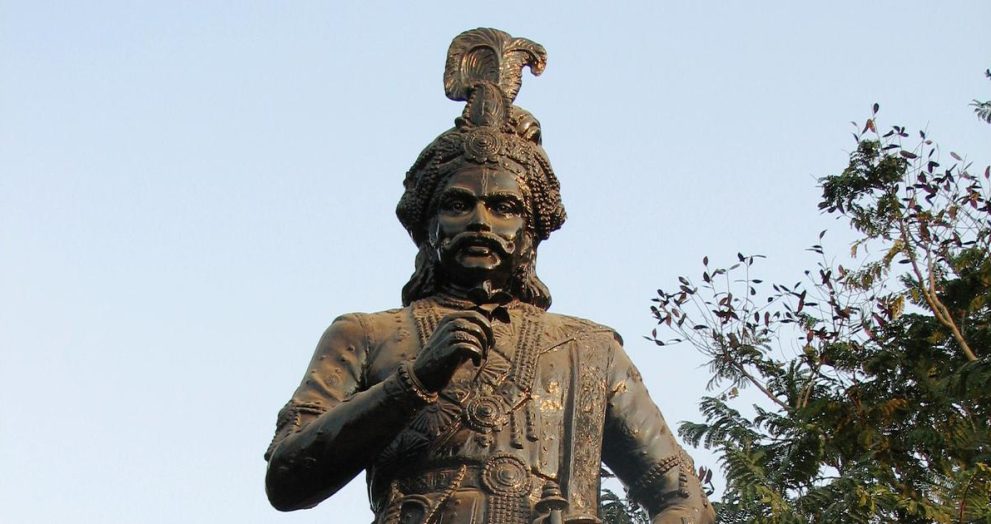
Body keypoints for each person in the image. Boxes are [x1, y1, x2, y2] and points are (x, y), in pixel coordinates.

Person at [264, 28, 715, 524]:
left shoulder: (591, 350)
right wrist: (416, 380)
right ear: (428, 224)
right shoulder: (367, 335)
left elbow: (684, 499)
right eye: (458, 204)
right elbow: (287, 479)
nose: (480, 221)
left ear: (530, 230)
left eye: (503, 207)